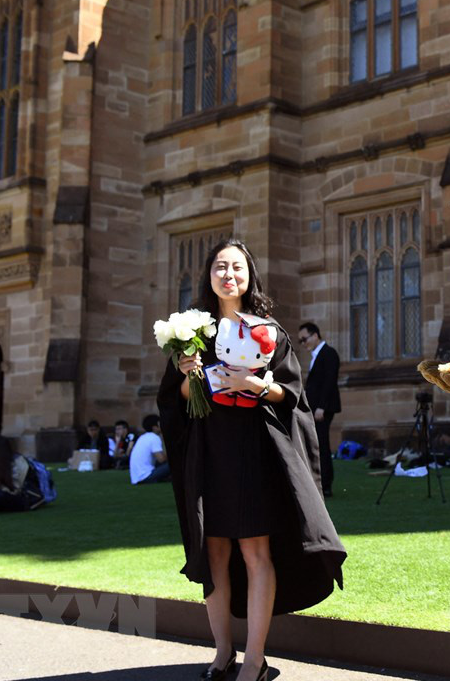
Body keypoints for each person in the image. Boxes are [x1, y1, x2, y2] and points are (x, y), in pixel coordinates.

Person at [158, 239, 346, 681]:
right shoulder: (194, 335)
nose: (228, 275)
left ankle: (255, 661)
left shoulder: (270, 331)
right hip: (210, 452)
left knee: (255, 551)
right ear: (209, 275)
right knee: (215, 553)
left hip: (254, 451)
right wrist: (190, 376)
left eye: (237, 268)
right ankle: (223, 653)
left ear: (249, 276)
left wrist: (257, 384)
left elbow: (293, 395)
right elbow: (179, 401)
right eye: (220, 267)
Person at [299, 322, 341, 498]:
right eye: (301, 340)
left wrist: (321, 407)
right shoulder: (317, 355)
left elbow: (329, 382)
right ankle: (319, 483)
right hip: (316, 409)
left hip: (322, 410)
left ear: (315, 335)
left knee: (322, 446)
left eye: (305, 338)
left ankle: (325, 485)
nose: (303, 343)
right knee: (317, 445)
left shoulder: (328, 353)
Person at [129, 416, 169, 485]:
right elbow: (161, 459)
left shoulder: (143, 437)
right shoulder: (154, 437)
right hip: (146, 477)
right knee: (175, 462)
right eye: (159, 424)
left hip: (136, 478)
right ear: (154, 427)